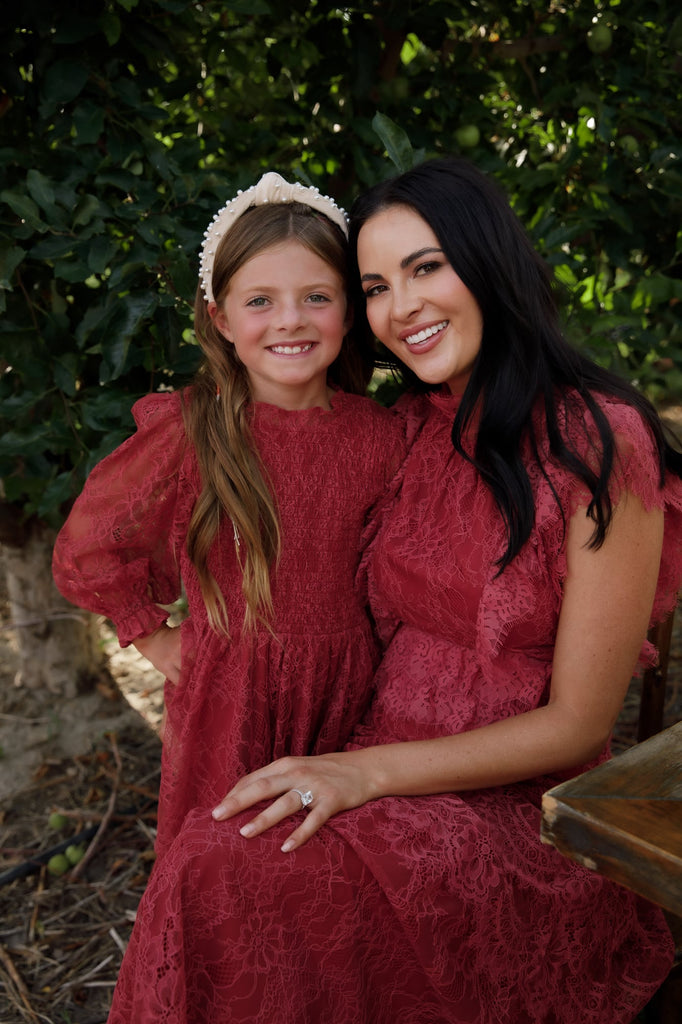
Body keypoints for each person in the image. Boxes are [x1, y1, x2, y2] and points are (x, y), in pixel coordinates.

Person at [104, 158, 682, 1024]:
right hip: (368, 753)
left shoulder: (598, 442)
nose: (400, 307)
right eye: (375, 286)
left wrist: (363, 773)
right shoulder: (410, 428)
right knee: (213, 857)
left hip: (513, 805)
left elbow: (579, 726)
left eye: (426, 268)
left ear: (489, 262)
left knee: (227, 871)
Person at [52, 171, 406, 861]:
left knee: (327, 866)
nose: (290, 319)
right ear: (219, 317)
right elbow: (87, 549)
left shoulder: (381, 435)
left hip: (351, 687)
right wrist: (154, 637)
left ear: (348, 310)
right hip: (231, 694)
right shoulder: (196, 428)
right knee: (230, 857)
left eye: (316, 297)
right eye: (260, 301)